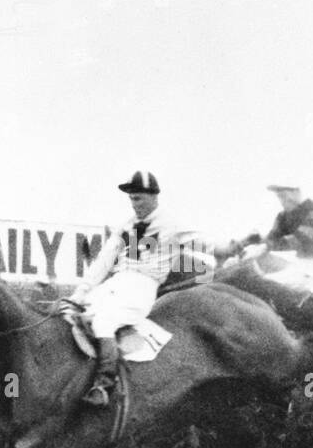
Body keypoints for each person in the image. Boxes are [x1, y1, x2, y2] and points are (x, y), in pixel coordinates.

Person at [72, 170, 212, 407]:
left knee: (103, 322)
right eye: (131, 199)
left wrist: (230, 248)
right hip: (116, 283)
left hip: (142, 287)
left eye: (138, 198)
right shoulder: (126, 225)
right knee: (74, 313)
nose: (134, 204)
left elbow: (206, 243)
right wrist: (80, 292)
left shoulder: (172, 224)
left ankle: (104, 385)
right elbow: (104, 261)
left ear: (154, 197)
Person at [239, 184, 313, 291]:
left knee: (268, 285)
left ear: (297, 193)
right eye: (279, 196)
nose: (282, 200)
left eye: (284, 195)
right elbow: (272, 239)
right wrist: (252, 243)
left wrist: (264, 247)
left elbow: (300, 239)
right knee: (262, 279)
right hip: (303, 265)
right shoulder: (283, 216)